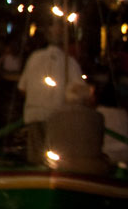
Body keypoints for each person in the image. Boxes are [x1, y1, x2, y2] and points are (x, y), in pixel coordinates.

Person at [18, 25, 82, 160]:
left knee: (37, 158)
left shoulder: (34, 57)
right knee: (57, 157)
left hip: (33, 114)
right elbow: (78, 94)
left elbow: (22, 89)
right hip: (58, 116)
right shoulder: (70, 63)